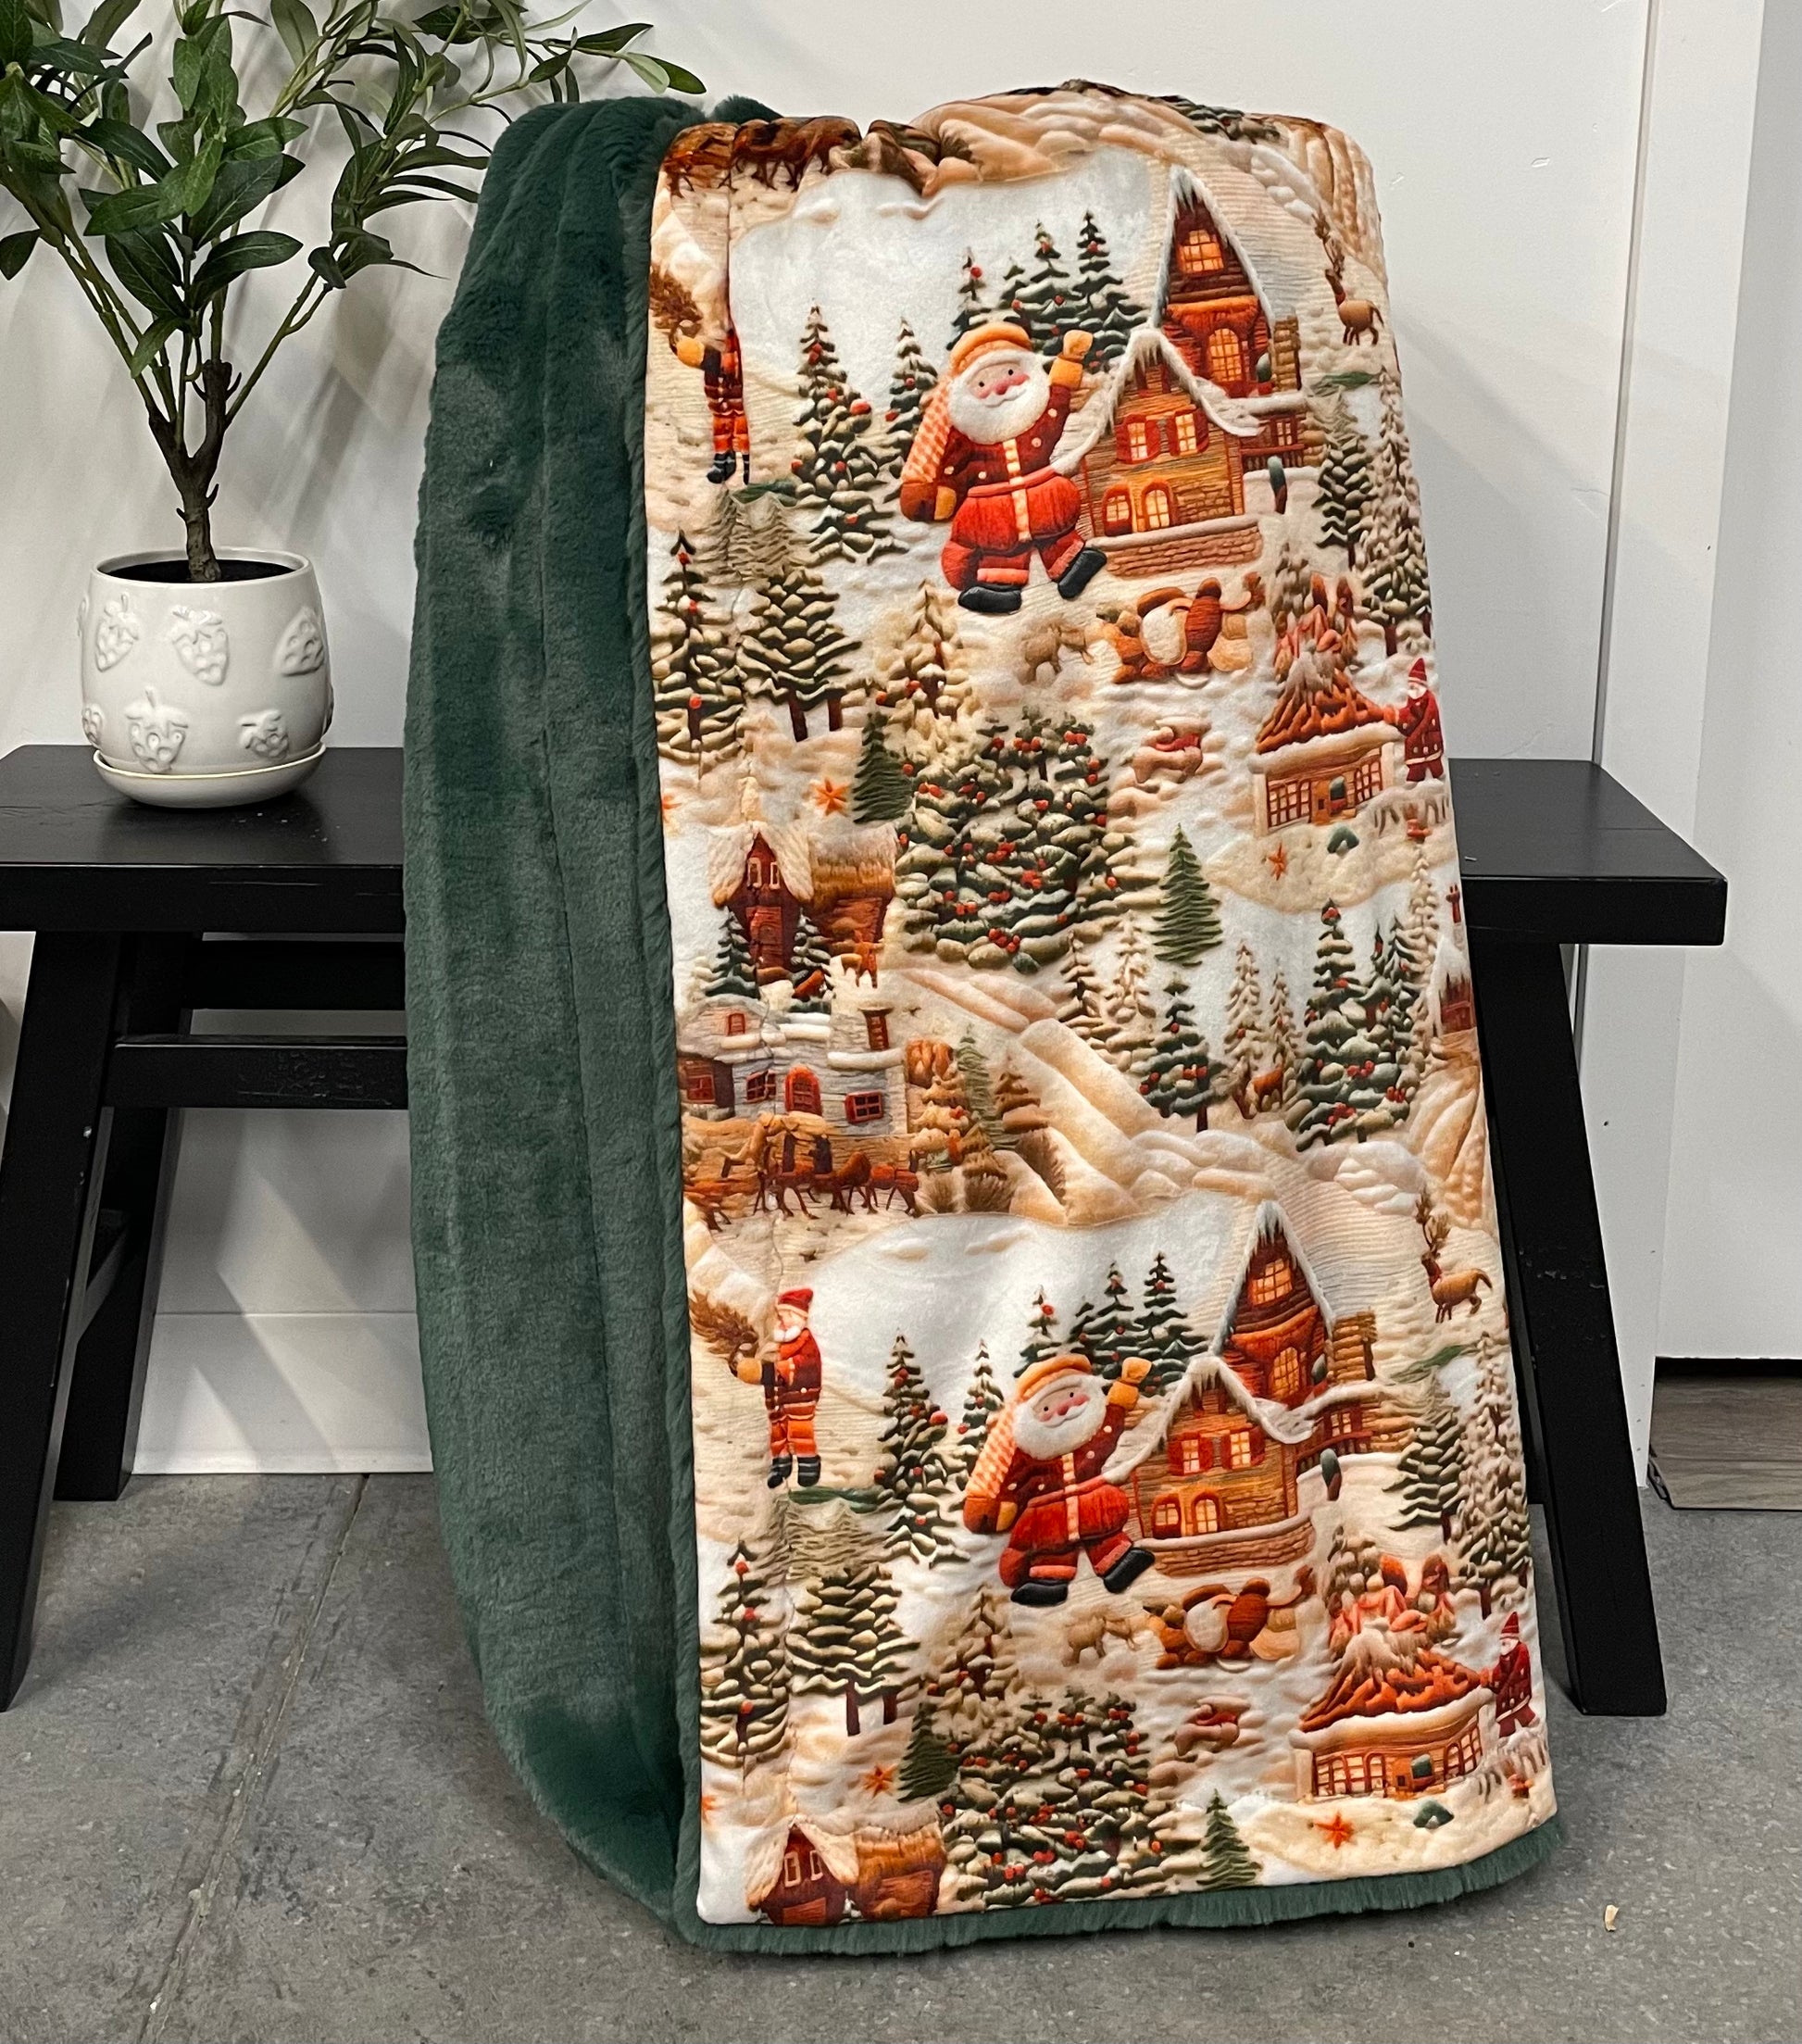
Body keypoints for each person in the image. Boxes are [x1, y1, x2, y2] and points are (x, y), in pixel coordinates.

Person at [899, 322, 1105, 614]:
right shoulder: (967, 437)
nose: (1000, 387)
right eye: (982, 384)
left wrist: (1068, 362)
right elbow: (954, 466)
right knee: (999, 548)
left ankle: (1072, 566)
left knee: (1056, 533)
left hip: (1043, 496)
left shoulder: (1037, 420)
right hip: (994, 509)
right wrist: (945, 492)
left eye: (1010, 373)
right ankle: (998, 588)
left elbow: (1057, 404)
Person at [961, 1353, 1155, 1606]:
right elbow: (1016, 1479)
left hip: (1093, 1501)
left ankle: (1119, 1563)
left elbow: (1113, 1421)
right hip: (1050, 1513)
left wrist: (1125, 1388)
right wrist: (1007, 1502)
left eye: (1072, 1396)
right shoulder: (1029, 1454)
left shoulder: (1094, 1435)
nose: (1062, 1409)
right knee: (1051, 1547)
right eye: (1046, 1408)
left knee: (1106, 1536)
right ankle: (1048, 1582)